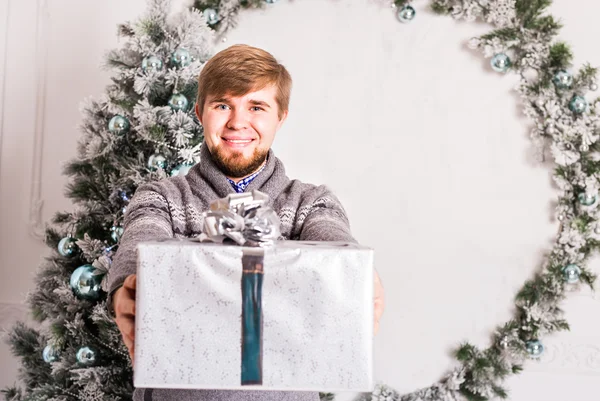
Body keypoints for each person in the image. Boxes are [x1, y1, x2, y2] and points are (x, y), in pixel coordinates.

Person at [107, 43, 385, 401]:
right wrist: (125, 287)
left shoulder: (310, 202)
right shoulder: (163, 197)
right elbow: (141, 237)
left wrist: (358, 273)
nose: (237, 122)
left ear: (281, 116)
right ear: (199, 112)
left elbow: (333, 238)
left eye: (256, 107)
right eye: (222, 105)